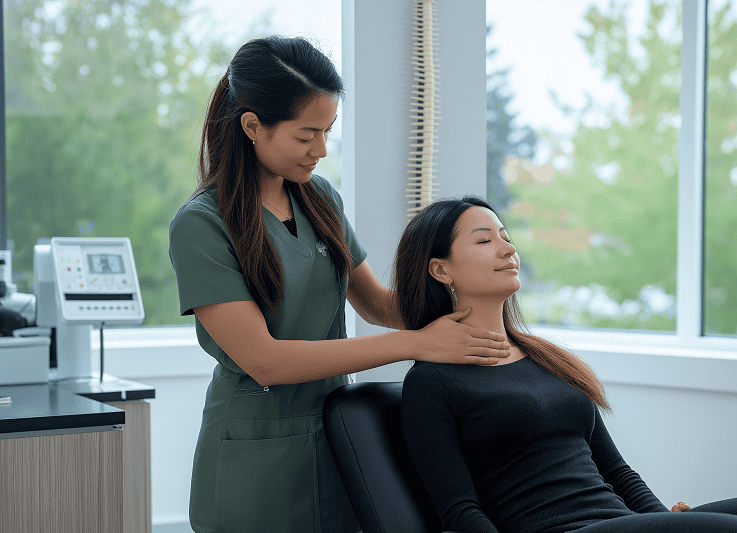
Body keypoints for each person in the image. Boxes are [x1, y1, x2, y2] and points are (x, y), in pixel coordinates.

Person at [168, 37, 511, 533]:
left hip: (336, 439)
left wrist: (465, 288)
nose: (322, 151)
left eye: (328, 132)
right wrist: (418, 344)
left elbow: (377, 305)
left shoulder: (320, 198)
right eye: (306, 136)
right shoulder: (201, 225)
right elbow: (264, 358)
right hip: (253, 460)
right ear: (252, 126)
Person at [397, 196, 737, 533]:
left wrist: (667, 523)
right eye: (484, 241)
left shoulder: (548, 360)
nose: (508, 249)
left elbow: (618, 473)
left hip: (620, 524)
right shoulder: (431, 382)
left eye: (507, 237)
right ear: (440, 269)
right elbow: (459, 511)